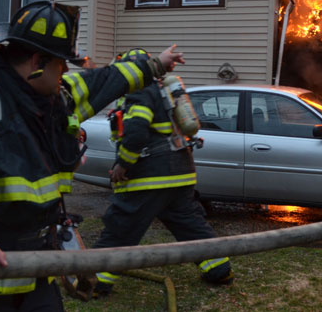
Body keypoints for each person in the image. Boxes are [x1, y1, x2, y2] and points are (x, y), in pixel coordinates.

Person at [0, 1, 184, 312]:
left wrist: (156, 64)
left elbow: (105, 80)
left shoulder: (55, 98)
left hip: (33, 277)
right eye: (62, 63)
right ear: (38, 61)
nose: (66, 70)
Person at [91, 48, 233, 299]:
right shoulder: (164, 91)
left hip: (149, 177)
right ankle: (218, 268)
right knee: (189, 223)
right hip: (181, 172)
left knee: (121, 226)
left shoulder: (139, 91)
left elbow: (136, 131)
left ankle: (95, 280)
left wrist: (123, 164)